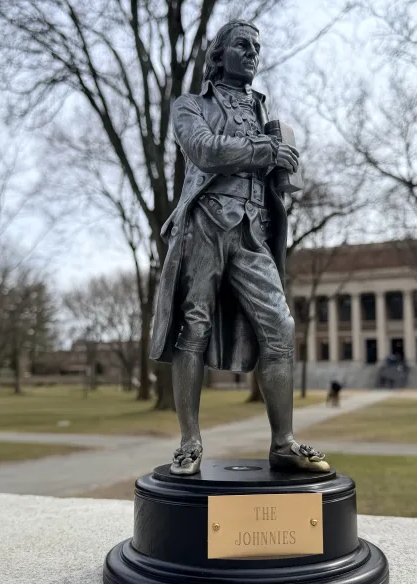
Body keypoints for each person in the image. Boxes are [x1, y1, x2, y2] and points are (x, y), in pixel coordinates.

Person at [150, 20, 330, 476]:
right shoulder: (190, 105)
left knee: (280, 326)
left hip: (253, 230)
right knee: (194, 325)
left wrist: (281, 161)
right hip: (205, 223)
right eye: (242, 45)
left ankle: (283, 442)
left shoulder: (262, 110)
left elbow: (260, 164)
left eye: (256, 47)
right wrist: (266, 150)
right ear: (219, 54)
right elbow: (205, 150)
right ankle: (189, 442)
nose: (252, 53)